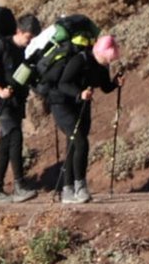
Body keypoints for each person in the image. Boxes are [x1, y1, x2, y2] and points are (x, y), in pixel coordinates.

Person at [49, 34, 122, 204]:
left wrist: (116, 83)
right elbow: (63, 84)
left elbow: (104, 87)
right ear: (100, 53)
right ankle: (80, 186)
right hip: (61, 104)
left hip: (81, 105)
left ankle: (68, 190)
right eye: (107, 59)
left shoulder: (102, 65)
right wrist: (79, 93)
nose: (108, 63)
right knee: (81, 142)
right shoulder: (80, 60)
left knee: (73, 143)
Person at [0, 15, 41, 204]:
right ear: (19, 31)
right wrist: (0, 92)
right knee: (15, 136)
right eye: (28, 37)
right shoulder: (2, 46)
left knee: (6, 141)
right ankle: (19, 185)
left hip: (16, 100)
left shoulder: (28, 51)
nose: (29, 42)